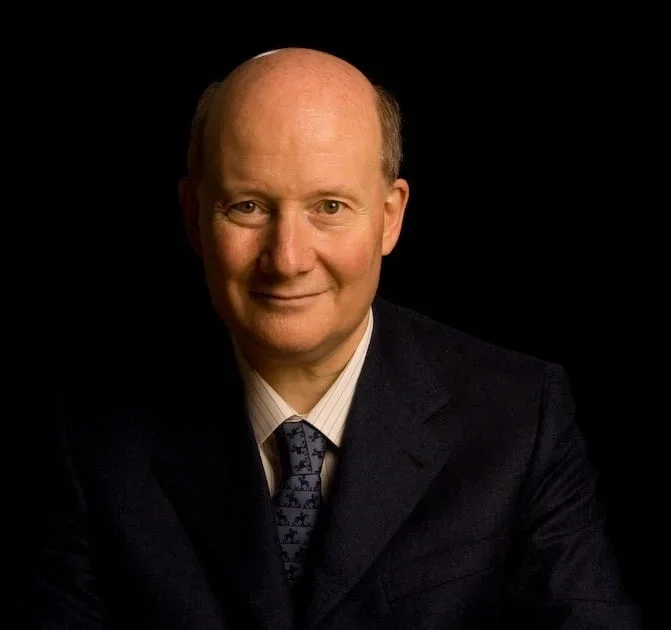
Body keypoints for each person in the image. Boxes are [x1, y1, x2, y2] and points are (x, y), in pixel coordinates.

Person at [23, 47, 641, 629]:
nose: (288, 259)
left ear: (390, 217)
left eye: (330, 207)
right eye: (248, 207)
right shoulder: (93, 435)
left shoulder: (519, 416)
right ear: (193, 217)